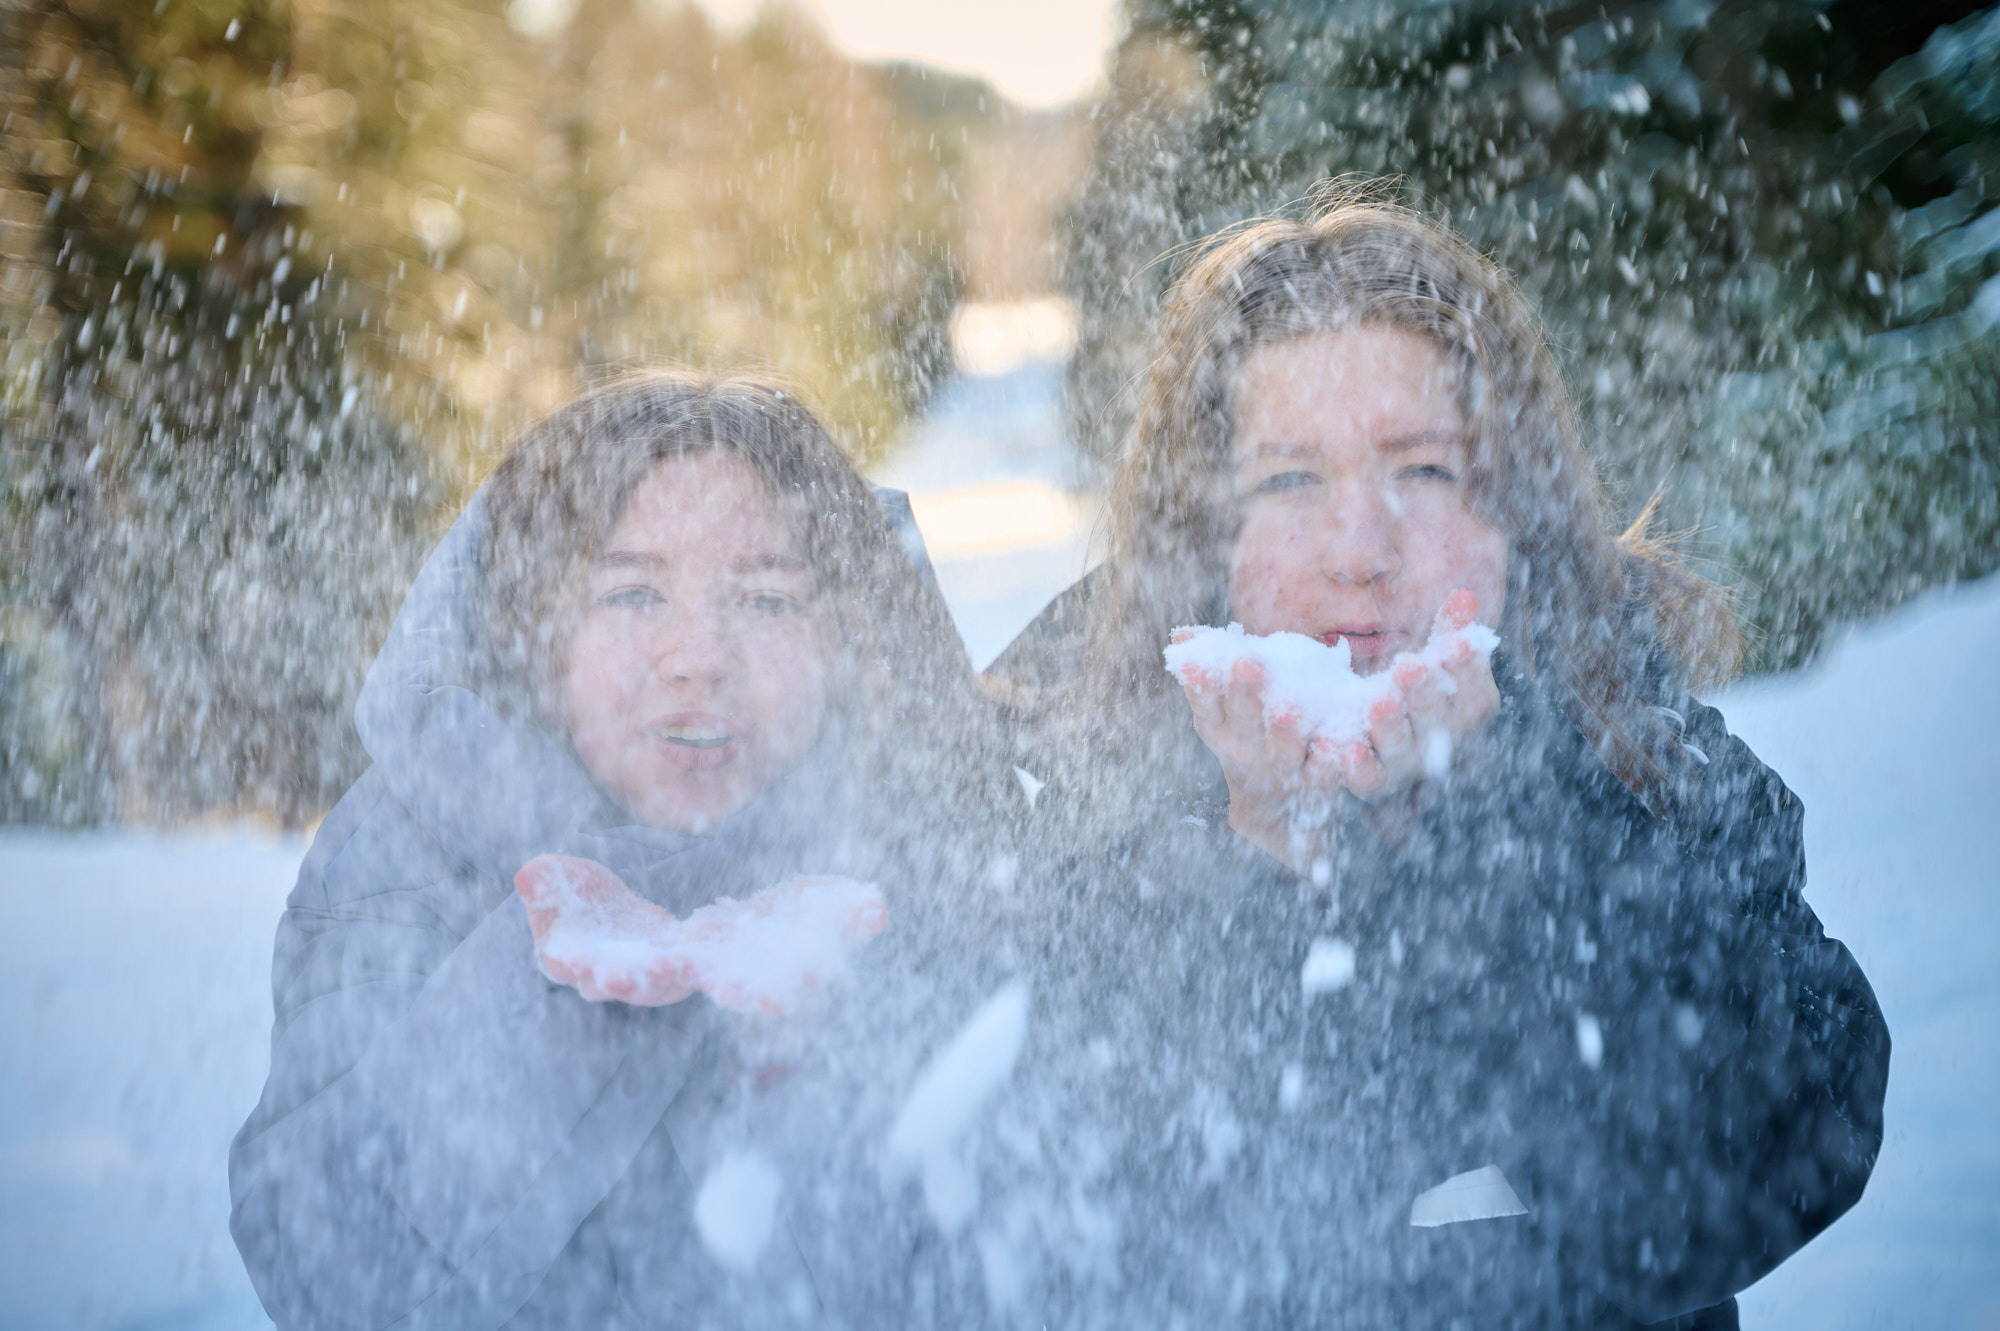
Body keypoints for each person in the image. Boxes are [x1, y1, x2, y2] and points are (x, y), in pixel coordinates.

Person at [978, 193, 1890, 1328]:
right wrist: (1262, 854)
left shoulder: (1636, 753)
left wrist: (1489, 820)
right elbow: (1070, 1236)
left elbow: (1796, 1128)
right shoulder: (1073, 795)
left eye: (1421, 471)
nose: (1359, 551)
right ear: (1207, 536)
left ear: (1511, 510)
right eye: (1288, 481)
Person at [229, 372, 1018, 1330]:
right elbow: (327, 1270)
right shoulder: (412, 846)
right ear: (536, 628)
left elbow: (1017, 1263)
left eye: (766, 599)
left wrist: (816, 1065)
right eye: (634, 591)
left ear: (846, 638)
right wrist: (562, 991)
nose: (697, 655)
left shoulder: (924, 851)